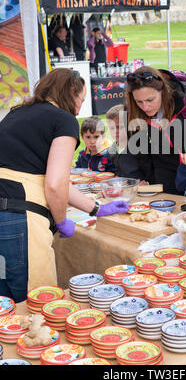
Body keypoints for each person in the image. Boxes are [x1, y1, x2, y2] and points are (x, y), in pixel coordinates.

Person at [0, 68, 128, 303]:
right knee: (35, 303)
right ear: (70, 92)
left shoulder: (15, 115)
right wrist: (60, 220)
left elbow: (46, 176)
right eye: (80, 99)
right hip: (20, 220)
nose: (79, 107)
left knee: (5, 306)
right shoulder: (63, 120)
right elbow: (56, 182)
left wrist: (96, 208)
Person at [125, 66, 186, 194]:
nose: (145, 107)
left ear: (163, 91)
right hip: (163, 165)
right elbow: (139, 148)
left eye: (150, 100)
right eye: (139, 102)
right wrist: (148, 178)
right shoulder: (133, 109)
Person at [106, 104, 141, 179]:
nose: (115, 131)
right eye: (112, 128)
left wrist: (146, 181)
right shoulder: (112, 149)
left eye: (120, 127)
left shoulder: (138, 148)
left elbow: (148, 168)